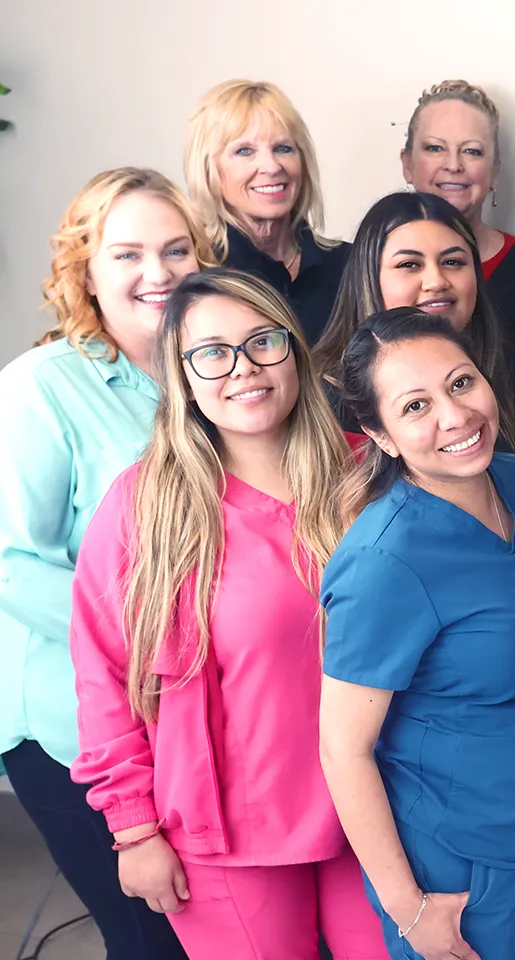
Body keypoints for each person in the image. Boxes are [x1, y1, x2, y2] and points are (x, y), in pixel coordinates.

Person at [69, 269, 384, 958]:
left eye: (263, 342)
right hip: (228, 832)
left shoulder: (365, 477)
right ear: (180, 377)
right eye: (211, 353)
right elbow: (103, 677)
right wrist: (133, 829)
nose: (243, 369)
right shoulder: (146, 506)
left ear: (295, 352)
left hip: (376, 809)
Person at [315, 308, 515, 960]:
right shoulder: (384, 560)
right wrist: (411, 910)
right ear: (382, 434)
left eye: (461, 384)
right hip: (461, 874)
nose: (454, 417)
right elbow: (344, 750)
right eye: (416, 406)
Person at [0, 167, 212, 960]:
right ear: (86, 271)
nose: (156, 273)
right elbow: (12, 565)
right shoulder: (39, 388)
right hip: (73, 721)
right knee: (149, 939)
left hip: (186, 708)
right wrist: (162, 644)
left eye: (175, 250)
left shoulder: (207, 374)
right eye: (127, 254)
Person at [313, 191, 515, 430]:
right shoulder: (328, 399)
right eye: (409, 265)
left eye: (453, 262)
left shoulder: (511, 369)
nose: (436, 281)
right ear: (368, 278)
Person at [182, 79, 349, 344]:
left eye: (283, 148)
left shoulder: (351, 265)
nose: (271, 166)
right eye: (244, 151)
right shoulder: (196, 273)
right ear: (208, 168)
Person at [400, 79, 515, 350]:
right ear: (407, 164)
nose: (454, 165)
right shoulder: (371, 265)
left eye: (472, 151)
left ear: (495, 171)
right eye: (435, 148)